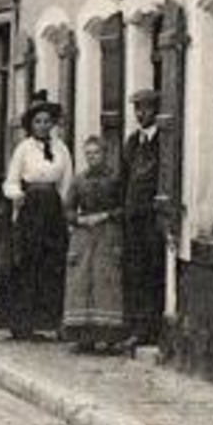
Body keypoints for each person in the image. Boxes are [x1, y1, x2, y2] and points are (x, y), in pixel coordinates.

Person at [0, 95, 74, 340]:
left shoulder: (61, 149)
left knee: (51, 264)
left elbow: (66, 183)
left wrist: (66, 211)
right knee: (24, 263)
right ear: (31, 125)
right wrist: (17, 195)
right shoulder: (23, 149)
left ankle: (47, 321)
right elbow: (10, 182)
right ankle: (21, 322)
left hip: (52, 212)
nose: (44, 126)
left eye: (47, 121)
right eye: (38, 122)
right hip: (30, 210)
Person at [63, 135, 128, 352]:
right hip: (84, 237)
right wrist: (80, 219)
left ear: (105, 154)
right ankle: (84, 337)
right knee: (82, 282)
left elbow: (123, 208)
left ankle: (109, 337)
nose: (92, 157)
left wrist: (106, 215)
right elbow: (68, 209)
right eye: (88, 153)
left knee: (107, 282)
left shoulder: (115, 179)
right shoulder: (79, 180)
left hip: (108, 234)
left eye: (96, 153)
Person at [121, 89, 167, 346]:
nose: (141, 114)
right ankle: (136, 326)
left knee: (152, 272)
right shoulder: (131, 142)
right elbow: (126, 179)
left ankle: (150, 328)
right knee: (135, 272)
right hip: (133, 219)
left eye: (146, 108)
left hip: (153, 219)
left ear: (156, 110)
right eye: (137, 109)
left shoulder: (163, 142)